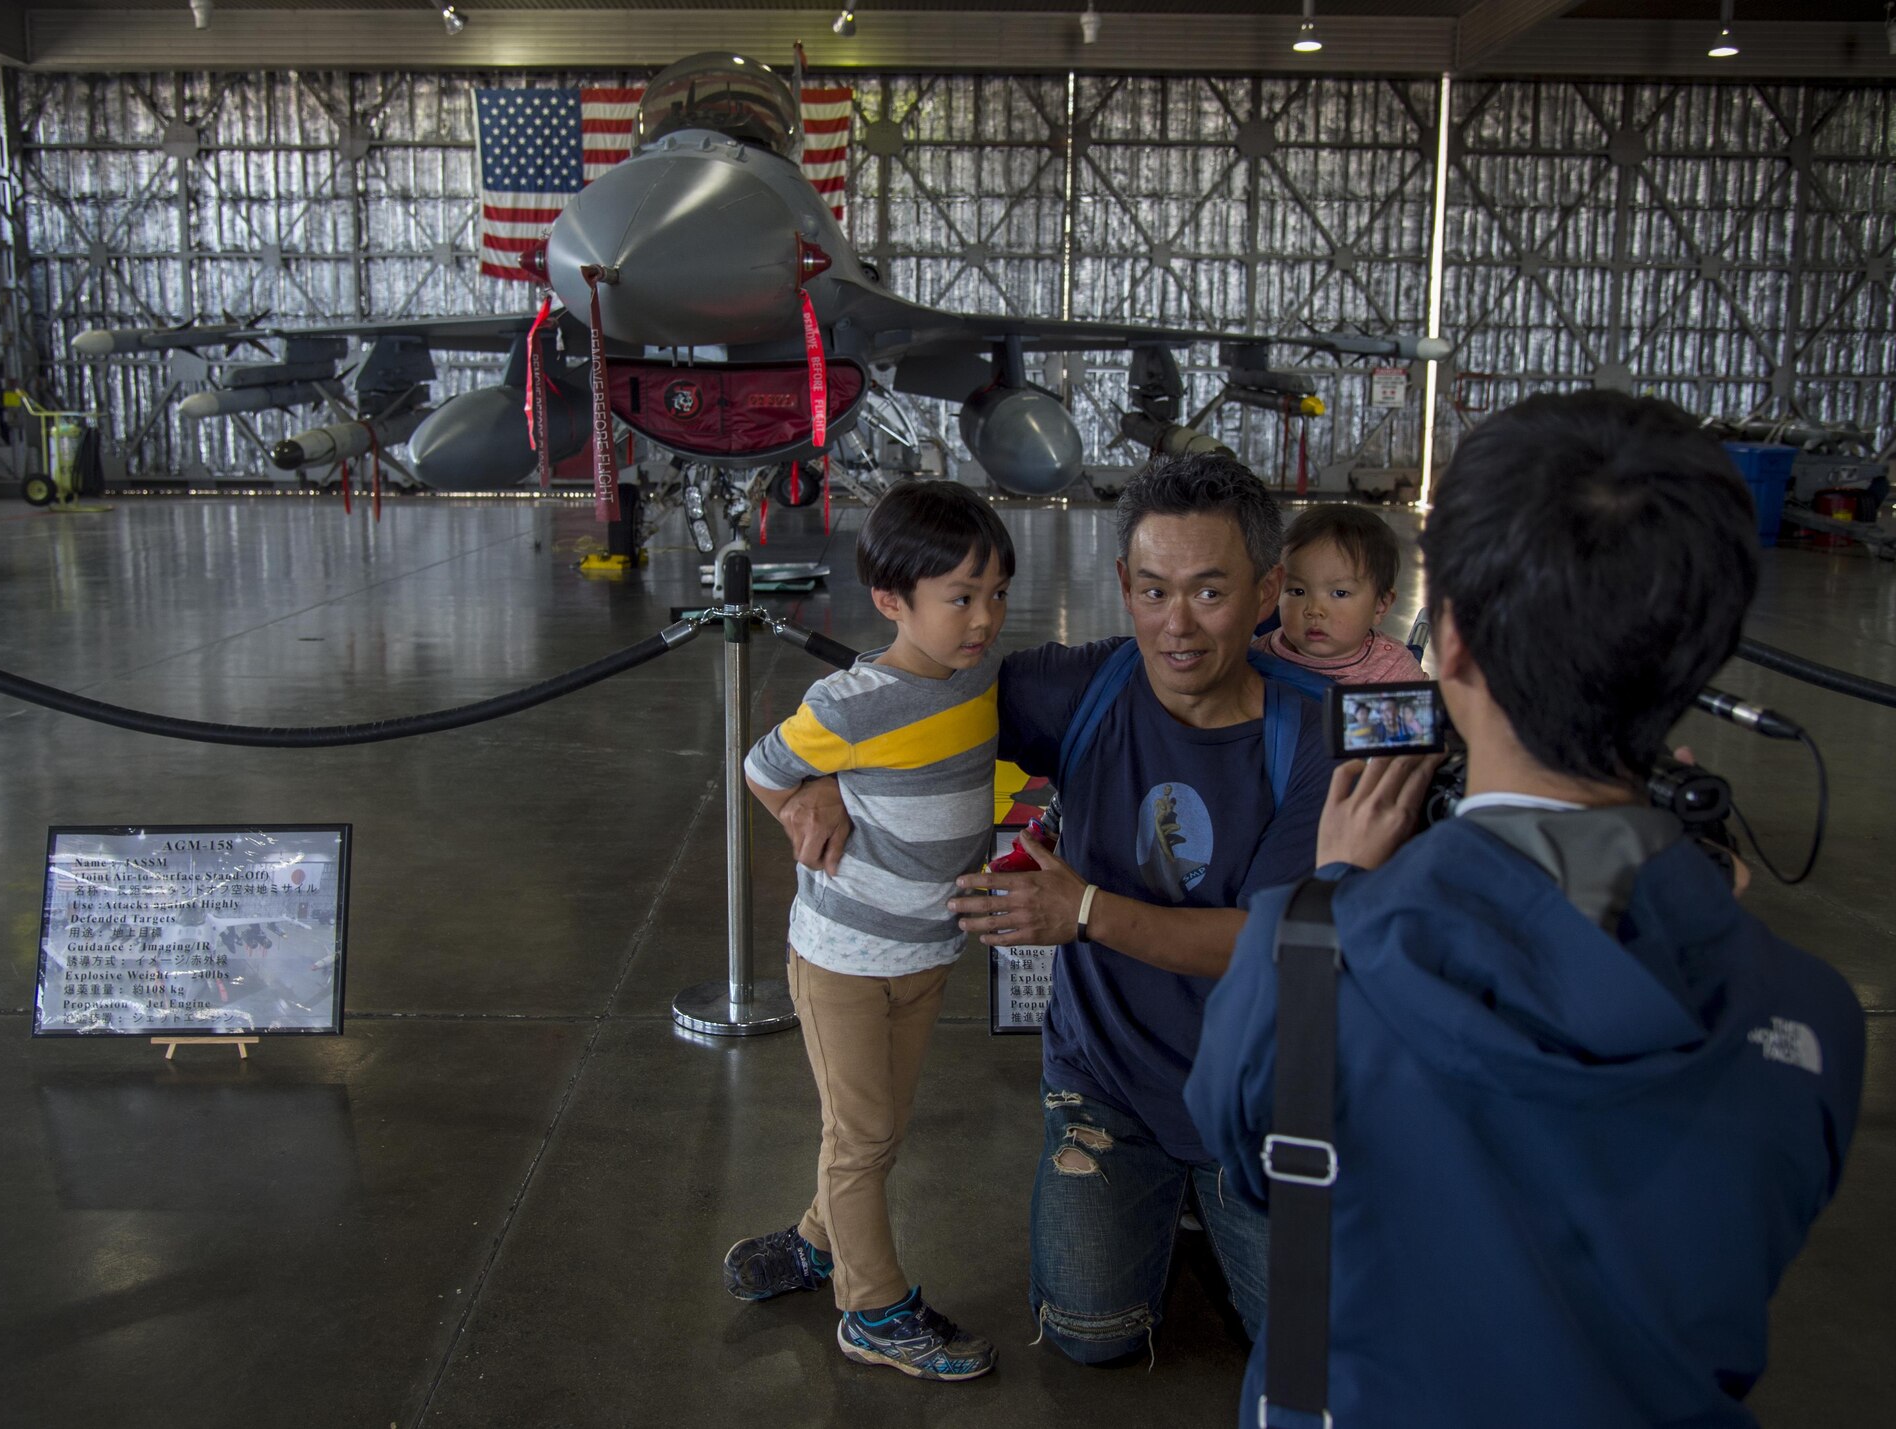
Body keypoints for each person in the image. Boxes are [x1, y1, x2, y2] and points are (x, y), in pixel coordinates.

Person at [1185, 390, 1866, 1427]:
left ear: (1447, 647)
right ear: (1697, 657)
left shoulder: (1305, 960)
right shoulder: (1808, 1019)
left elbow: (1239, 1150)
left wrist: (1329, 890)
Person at [779, 452, 1333, 1364]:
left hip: (1255, 1089)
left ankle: (1206, 1195)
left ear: (1270, 585)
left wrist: (1083, 913)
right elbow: (916, 699)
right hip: (1107, 1081)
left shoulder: (1310, 736)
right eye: (1152, 591)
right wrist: (835, 776)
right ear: (1122, 582)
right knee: (1089, 1332)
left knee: (1310, 1346)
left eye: (1209, 591)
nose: (1176, 625)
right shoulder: (1081, 688)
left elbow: (1269, 946)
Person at [723, 479, 1013, 1383]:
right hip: (844, 957)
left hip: (928, 951)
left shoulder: (982, 676)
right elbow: (760, 765)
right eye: (960, 597)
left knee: (879, 1127)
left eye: (996, 593)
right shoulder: (853, 703)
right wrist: (805, 808)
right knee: (862, 1138)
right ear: (893, 601)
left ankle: (818, 1244)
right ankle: (874, 1309)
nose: (983, 619)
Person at [1252, 504, 1426, 683]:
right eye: (1298, 591)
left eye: (1340, 593)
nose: (1314, 610)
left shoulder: (1394, 672)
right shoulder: (1257, 659)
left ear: (1380, 606)